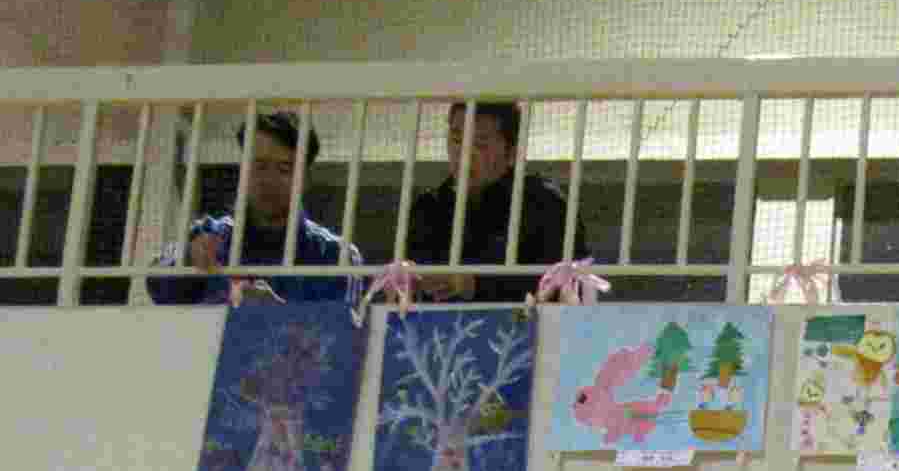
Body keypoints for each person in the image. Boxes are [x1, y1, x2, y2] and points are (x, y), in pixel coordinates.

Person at [147, 111, 359, 305]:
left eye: (284, 169)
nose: (269, 180)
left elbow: (344, 331)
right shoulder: (208, 235)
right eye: (259, 166)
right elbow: (156, 287)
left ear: (305, 178)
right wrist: (187, 258)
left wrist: (275, 318)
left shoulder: (336, 256)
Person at [406, 101, 588, 302]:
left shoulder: (546, 205)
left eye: (480, 144)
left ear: (512, 152)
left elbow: (567, 289)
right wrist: (410, 280)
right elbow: (405, 290)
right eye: (456, 139)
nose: (464, 154)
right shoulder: (427, 208)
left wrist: (476, 284)